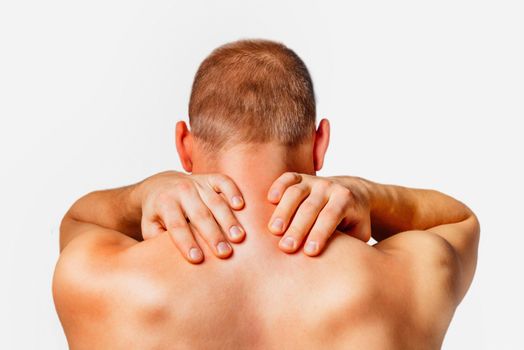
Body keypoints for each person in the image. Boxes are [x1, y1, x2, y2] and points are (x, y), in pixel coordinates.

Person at [52, 39, 480, 349]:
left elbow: (76, 221)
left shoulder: (99, 278)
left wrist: (142, 194)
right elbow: (461, 221)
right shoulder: (407, 279)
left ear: (184, 145)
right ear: (320, 144)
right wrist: (368, 194)